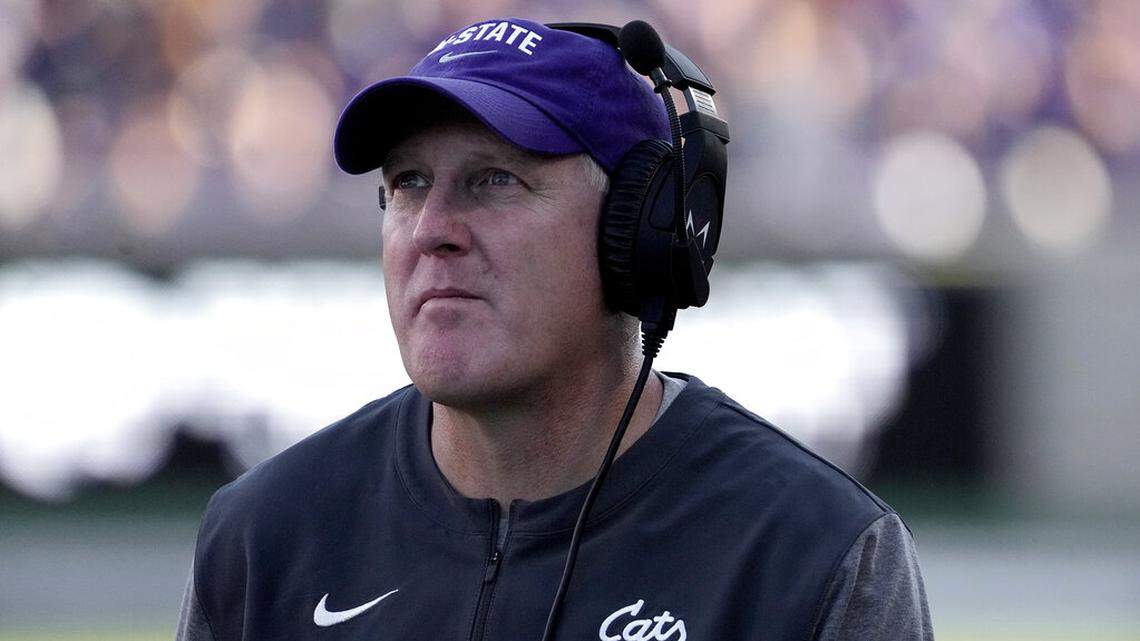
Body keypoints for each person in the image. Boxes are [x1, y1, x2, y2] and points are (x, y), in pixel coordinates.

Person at [177, 17, 933, 641]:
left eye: (495, 179)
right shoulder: (264, 536)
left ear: (640, 229)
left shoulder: (811, 553)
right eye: (408, 183)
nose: (432, 229)